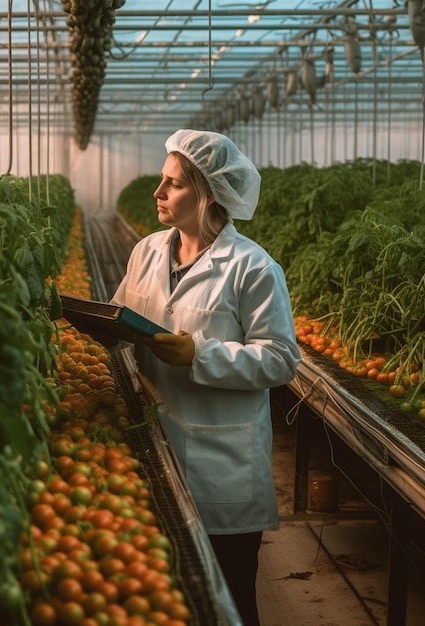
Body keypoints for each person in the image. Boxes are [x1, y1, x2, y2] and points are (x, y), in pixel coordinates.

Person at [110, 129, 301, 626]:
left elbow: (281, 359)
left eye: (172, 184)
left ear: (209, 193)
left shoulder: (253, 268)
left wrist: (200, 354)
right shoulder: (148, 251)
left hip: (223, 465)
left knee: (230, 598)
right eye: (161, 180)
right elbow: (118, 314)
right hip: (152, 450)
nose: (158, 192)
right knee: (165, 597)